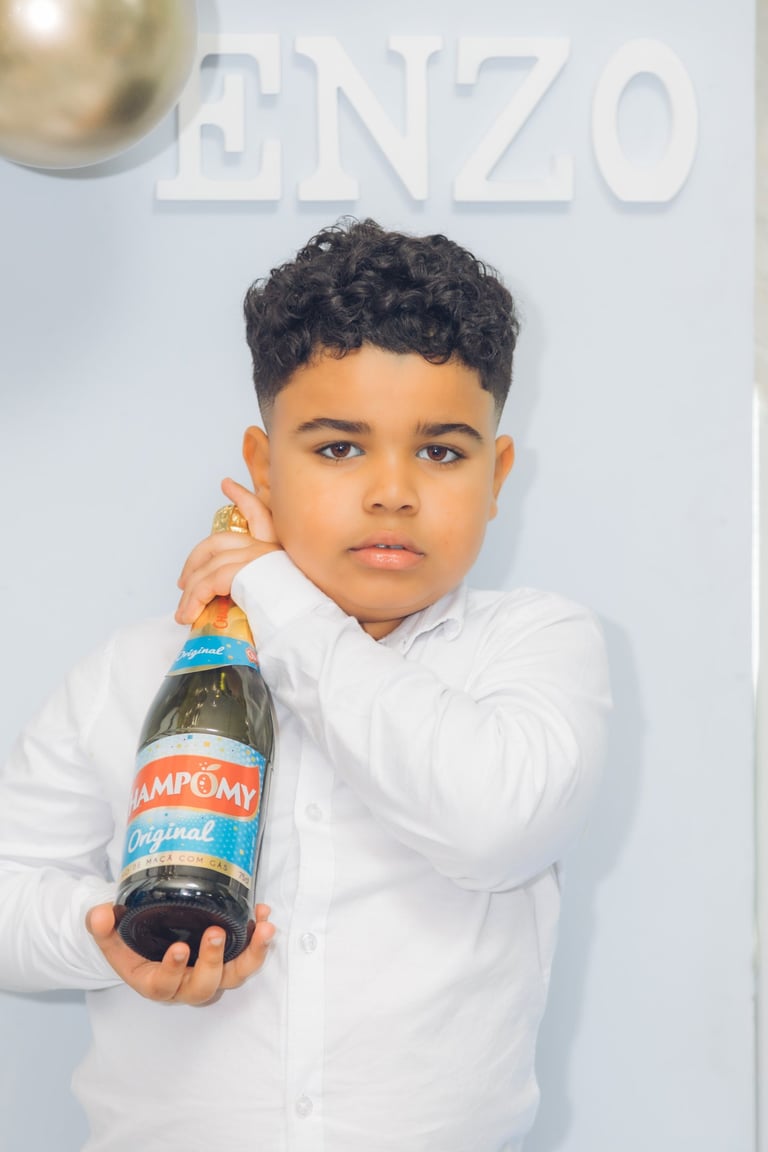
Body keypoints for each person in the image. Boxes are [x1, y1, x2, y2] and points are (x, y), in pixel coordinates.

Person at [0, 218, 610, 1151]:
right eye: (338, 448)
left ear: (497, 476)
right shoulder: (131, 672)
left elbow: (493, 826)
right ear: (262, 466)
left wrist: (274, 595)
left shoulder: (537, 644)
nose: (393, 491)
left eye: (442, 451)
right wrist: (104, 937)